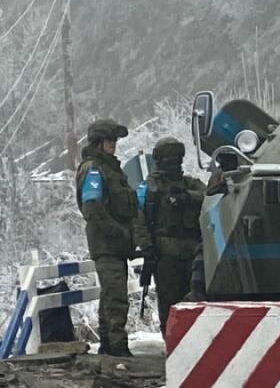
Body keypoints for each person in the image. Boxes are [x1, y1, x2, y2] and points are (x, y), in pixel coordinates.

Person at [75, 119, 136, 357]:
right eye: (109, 140)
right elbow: (92, 207)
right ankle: (118, 348)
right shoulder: (93, 168)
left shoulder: (109, 168)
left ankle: (109, 346)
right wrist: (118, 232)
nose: (113, 144)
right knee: (116, 297)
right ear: (98, 142)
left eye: (115, 140)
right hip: (107, 244)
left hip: (116, 245)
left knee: (111, 295)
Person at [134, 138, 206, 334]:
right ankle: (172, 341)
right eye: (168, 158)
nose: (173, 162)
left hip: (193, 255)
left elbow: (211, 197)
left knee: (195, 303)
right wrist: (148, 249)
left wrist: (187, 197)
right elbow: (138, 220)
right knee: (169, 303)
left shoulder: (191, 184)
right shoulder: (149, 188)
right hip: (165, 256)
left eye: (176, 158)